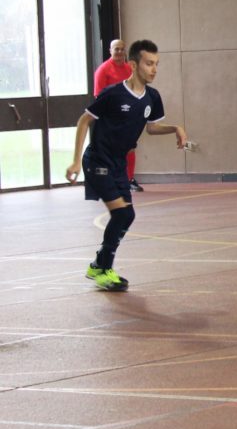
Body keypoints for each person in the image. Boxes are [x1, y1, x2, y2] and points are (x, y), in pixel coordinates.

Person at [65, 40, 187, 290]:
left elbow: (152, 128)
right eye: (149, 63)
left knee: (127, 215)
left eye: (156, 64)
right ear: (133, 65)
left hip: (118, 164)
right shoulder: (113, 94)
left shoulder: (152, 97)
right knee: (121, 214)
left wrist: (175, 128)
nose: (154, 69)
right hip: (98, 161)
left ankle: (98, 264)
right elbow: (84, 121)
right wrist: (76, 160)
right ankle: (103, 269)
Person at [93, 38, 142, 192]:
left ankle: (129, 179)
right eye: (116, 49)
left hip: (128, 117)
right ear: (110, 51)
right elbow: (98, 96)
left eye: (122, 49)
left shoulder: (129, 69)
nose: (120, 52)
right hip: (111, 118)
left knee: (130, 148)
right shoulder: (103, 70)